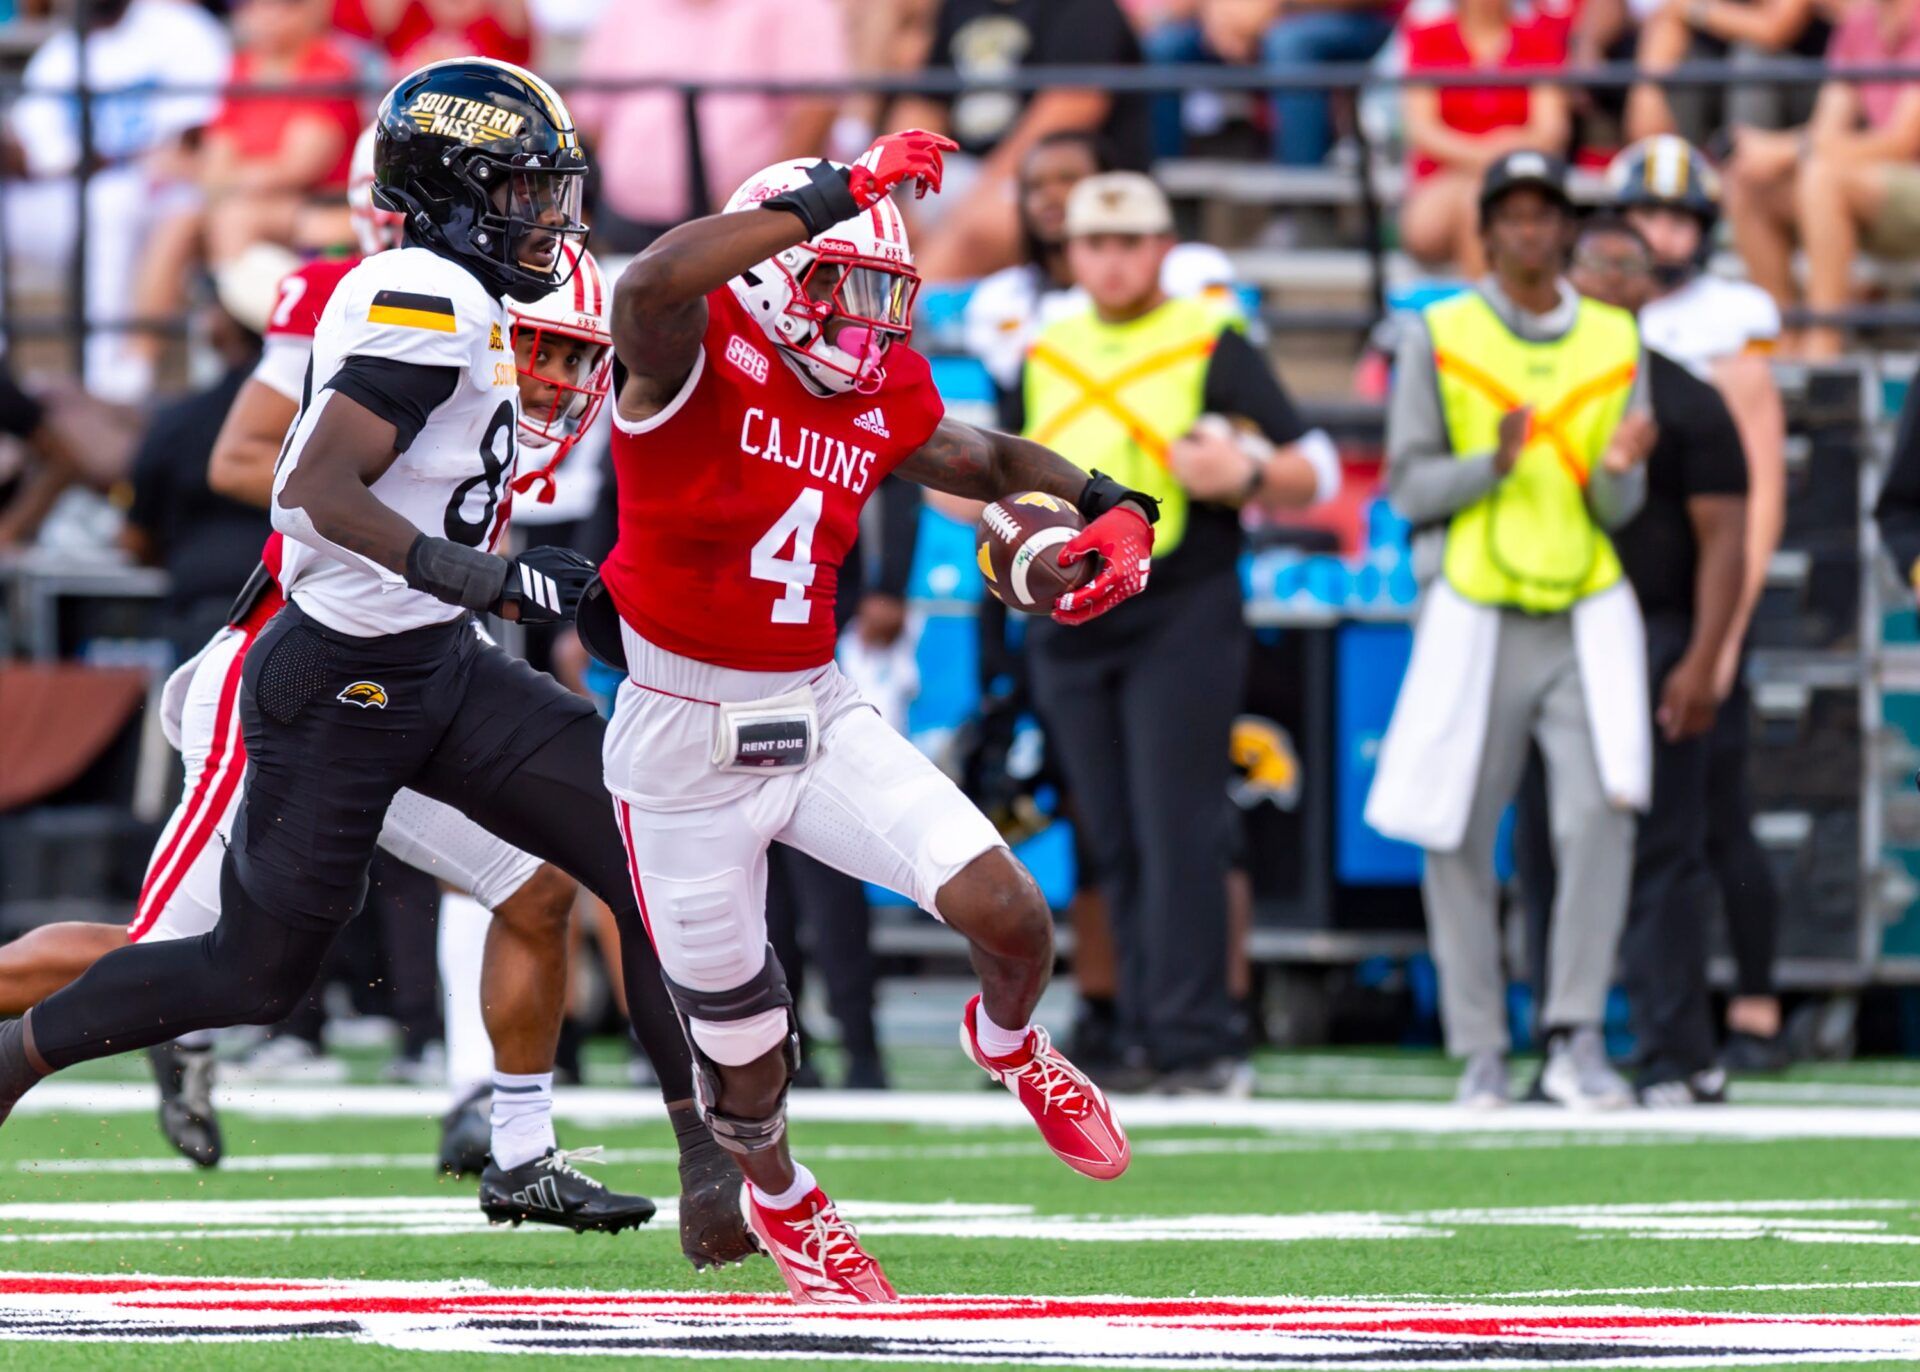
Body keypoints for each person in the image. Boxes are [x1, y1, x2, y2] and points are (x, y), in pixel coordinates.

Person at [0, 58, 753, 1271]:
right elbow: (312, 487)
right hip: (336, 676)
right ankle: (14, 1060)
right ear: (452, 193)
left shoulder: (464, 293)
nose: (546, 222)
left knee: (643, 839)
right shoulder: (422, 292)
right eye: (519, 195)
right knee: (248, 971)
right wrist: (493, 577)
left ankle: (714, 1167)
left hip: (437, 664)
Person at [599, 128, 1147, 1303]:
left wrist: (1108, 502)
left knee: (1012, 915)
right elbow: (646, 280)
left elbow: (984, 456)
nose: (867, 324)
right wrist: (834, 191)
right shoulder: (691, 343)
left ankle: (1004, 1043)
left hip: (815, 706)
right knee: (746, 1059)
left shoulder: (875, 378)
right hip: (679, 737)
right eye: (844, 288)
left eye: (884, 297)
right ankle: (784, 1197)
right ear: (770, 268)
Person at [1017, 172, 1336, 1092]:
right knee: (1104, 832)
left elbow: (1312, 465)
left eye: (1131, 242)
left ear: (1163, 248)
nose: (1113, 260)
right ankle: (1128, 1029)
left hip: (1180, 605)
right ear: (1070, 253)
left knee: (1179, 823)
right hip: (1069, 611)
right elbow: (984, 466)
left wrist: (1244, 471)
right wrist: (998, 520)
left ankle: (1197, 1038)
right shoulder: (1046, 345)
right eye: (1094, 243)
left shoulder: (1210, 336)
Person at [1366, 151, 1654, 1110]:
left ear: (1566, 228)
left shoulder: (1616, 335)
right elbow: (1408, 486)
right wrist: (1487, 465)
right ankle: (1482, 1042)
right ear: (1487, 230)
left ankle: (1574, 1032)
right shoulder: (1439, 332)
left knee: (1600, 814)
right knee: (1451, 824)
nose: (1531, 231)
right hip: (1479, 603)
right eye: (1514, 215)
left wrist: (1617, 467)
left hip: (1581, 602)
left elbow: (1620, 504)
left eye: (1547, 215)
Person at [1519, 213, 1750, 1107]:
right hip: (1552, 626)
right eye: (1596, 263)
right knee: (1545, 845)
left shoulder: (1687, 396)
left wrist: (1705, 655)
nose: (1613, 280)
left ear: (1654, 286)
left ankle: (1674, 1050)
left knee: (1664, 842)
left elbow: (1725, 540)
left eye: (1631, 267)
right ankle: (1560, 1044)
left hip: (1652, 632)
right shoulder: (1538, 389)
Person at [1609, 135, 1791, 1076]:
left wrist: (1728, 633)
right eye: (1647, 213)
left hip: (1702, 593)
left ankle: (1755, 1001)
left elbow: (1754, 487)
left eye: (1679, 217)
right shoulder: (1595, 316)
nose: (1661, 233)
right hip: (1616, 592)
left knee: (1715, 805)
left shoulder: (1729, 320)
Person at [1, 0, 232, 398]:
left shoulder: (177, 27)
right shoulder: (62, 50)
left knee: (108, 200)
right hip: (67, 197)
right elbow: (36, 152)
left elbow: (194, 135)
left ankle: (104, 382)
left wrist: (129, 159)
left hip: (151, 198)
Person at [892, 0, 1150, 280]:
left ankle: (899, 316)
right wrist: (900, 191)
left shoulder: (1086, 8)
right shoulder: (960, 6)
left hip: (1053, 176)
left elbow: (1071, 107)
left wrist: (974, 199)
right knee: (885, 224)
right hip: (966, 170)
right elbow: (926, 104)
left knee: (981, 229)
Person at [1723, 0, 1920, 359]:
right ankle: (1780, 334)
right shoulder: (1860, 26)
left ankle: (1822, 346)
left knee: (1822, 178)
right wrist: (1780, 155)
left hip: (1905, 182)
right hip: (1879, 186)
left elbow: (1902, 141)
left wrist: (1785, 148)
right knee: (1748, 179)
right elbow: (1825, 131)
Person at [568, 0, 848, 252]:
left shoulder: (794, 8)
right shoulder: (628, 9)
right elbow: (588, 120)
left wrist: (756, 208)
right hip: (625, 223)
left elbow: (816, 109)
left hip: (744, 233)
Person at [1399, 0, 1572, 276]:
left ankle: (1488, 306)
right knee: (1476, 199)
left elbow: (1551, 130)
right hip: (1444, 179)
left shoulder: (1539, 38)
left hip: (1519, 178)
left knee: (1479, 200)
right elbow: (1421, 129)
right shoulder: (1428, 36)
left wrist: (1491, 161)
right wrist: (1490, 156)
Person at [1143, 0, 1398, 166]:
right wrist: (1217, 13)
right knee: (1164, 48)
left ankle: (1302, 205)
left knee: (1289, 43)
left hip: (1353, 20)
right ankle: (1170, 202)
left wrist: (1274, 7)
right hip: (1245, 19)